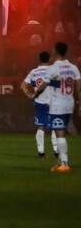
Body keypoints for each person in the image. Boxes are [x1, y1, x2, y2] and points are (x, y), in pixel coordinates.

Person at [36, 42, 80, 172]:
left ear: (55, 51)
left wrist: (35, 94)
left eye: (53, 49)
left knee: (60, 133)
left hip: (58, 105)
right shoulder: (73, 68)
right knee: (59, 131)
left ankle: (65, 163)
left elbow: (43, 85)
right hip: (69, 103)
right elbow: (79, 88)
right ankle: (60, 161)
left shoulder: (53, 68)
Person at [21, 51, 58, 158]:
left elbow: (23, 85)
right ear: (49, 59)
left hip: (39, 102)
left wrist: (29, 94)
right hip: (53, 102)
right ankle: (56, 151)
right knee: (55, 127)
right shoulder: (53, 70)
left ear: (39, 59)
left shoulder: (34, 72)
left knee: (41, 127)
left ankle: (41, 152)